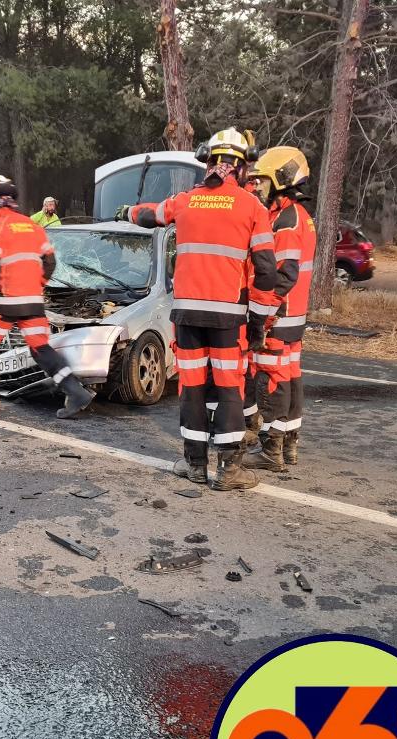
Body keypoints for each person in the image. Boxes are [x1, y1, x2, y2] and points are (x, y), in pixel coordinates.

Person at [115, 128, 278, 491]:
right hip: (227, 318)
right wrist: (259, 322)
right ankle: (229, 471)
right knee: (228, 387)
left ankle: (194, 465)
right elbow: (266, 271)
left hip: (186, 317)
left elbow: (150, 214)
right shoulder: (253, 208)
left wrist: (126, 211)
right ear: (242, 167)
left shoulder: (186, 200)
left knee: (192, 386)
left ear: (209, 162)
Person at [0, 175, 95, 418]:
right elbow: (50, 262)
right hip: (33, 301)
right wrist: (35, 285)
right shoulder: (34, 227)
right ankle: (75, 391)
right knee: (40, 347)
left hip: (6, 302)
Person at [242, 146, 316, 471]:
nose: (258, 186)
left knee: (271, 377)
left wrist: (264, 314)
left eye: (263, 181)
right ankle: (289, 446)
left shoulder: (286, 220)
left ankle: (271, 449)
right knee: (291, 375)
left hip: (279, 314)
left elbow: (283, 275)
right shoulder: (298, 216)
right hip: (294, 316)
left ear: (280, 181)